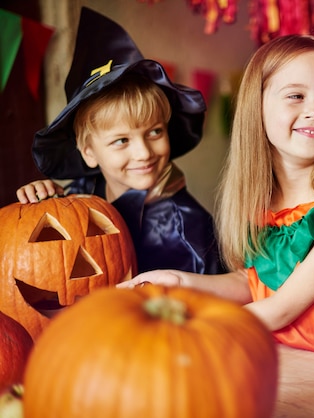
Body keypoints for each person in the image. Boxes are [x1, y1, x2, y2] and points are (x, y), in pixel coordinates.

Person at [119, 34, 314, 366]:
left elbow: (283, 307)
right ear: (258, 107)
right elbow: (253, 282)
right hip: (275, 366)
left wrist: (194, 329)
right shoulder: (259, 204)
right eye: (296, 96)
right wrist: (180, 281)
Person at [16, 7, 225, 276]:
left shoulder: (191, 233)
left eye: (154, 132)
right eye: (122, 140)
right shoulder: (82, 192)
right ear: (89, 152)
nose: (143, 153)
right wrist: (47, 199)